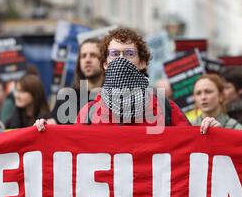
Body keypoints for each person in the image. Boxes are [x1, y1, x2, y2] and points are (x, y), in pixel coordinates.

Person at [35, 28, 220, 133]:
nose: (121, 59)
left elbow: (192, 149)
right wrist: (47, 135)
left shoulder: (165, 109)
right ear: (105, 63)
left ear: (142, 62)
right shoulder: (89, 113)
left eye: (129, 53)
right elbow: (70, 152)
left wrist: (212, 133)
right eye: (115, 54)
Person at [51, 38, 104, 124]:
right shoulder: (66, 97)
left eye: (93, 55)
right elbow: (53, 125)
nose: (87, 60)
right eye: (83, 56)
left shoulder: (114, 98)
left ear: (104, 61)